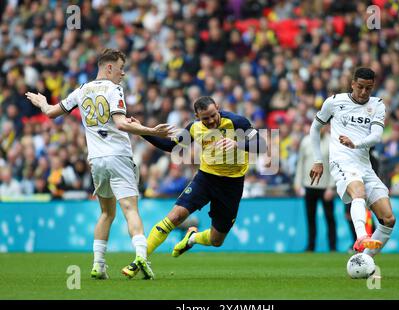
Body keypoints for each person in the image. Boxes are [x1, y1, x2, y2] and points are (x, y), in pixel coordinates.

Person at [25, 48, 174, 280]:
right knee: (130, 209)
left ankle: (98, 265)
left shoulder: (81, 90)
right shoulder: (114, 90)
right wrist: (150, 130)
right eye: (121, 68)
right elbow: (122, 124)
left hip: (96, 160)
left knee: (106, 213)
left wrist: (43, 103)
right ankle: (142, 258)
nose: (123, 74)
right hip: (118, 156)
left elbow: (52, 113)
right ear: (109, 67)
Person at [121, 96, 267, 278]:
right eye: (205, 118)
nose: (211, 121)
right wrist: (141, 131)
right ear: (197, 116)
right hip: (206, 179)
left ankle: (193, 238)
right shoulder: (194, 128)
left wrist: (237, 143)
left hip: (232, 185)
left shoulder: (237, 122)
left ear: (218, 108)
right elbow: (170, 145)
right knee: (175, 216)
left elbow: (262, 145)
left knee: (216, 240)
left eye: (213, 115)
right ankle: (139, 260)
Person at [309, 67, 396, 257]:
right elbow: (315, 128)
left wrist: (355, 144)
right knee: (359, 191)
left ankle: (364, 259)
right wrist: (318, 160)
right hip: (341, 161)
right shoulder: (334, 102)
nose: (364, 92)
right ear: (352, 84)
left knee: (388, 219)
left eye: (369, 88)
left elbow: (376, 137)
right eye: (360, 87)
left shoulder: (378, 105)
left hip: (365, 165)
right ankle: (362, 236)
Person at [294, 128, 336, 252]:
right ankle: (310, 246)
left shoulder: (332, 142)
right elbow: (300, 163)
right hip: (309, 186)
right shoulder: (306, 141)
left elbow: (335, 165)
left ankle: (332, 247)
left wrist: (331, 187)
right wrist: (297, 183)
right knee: (310, 218)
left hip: (325, 187)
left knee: (329, 218)